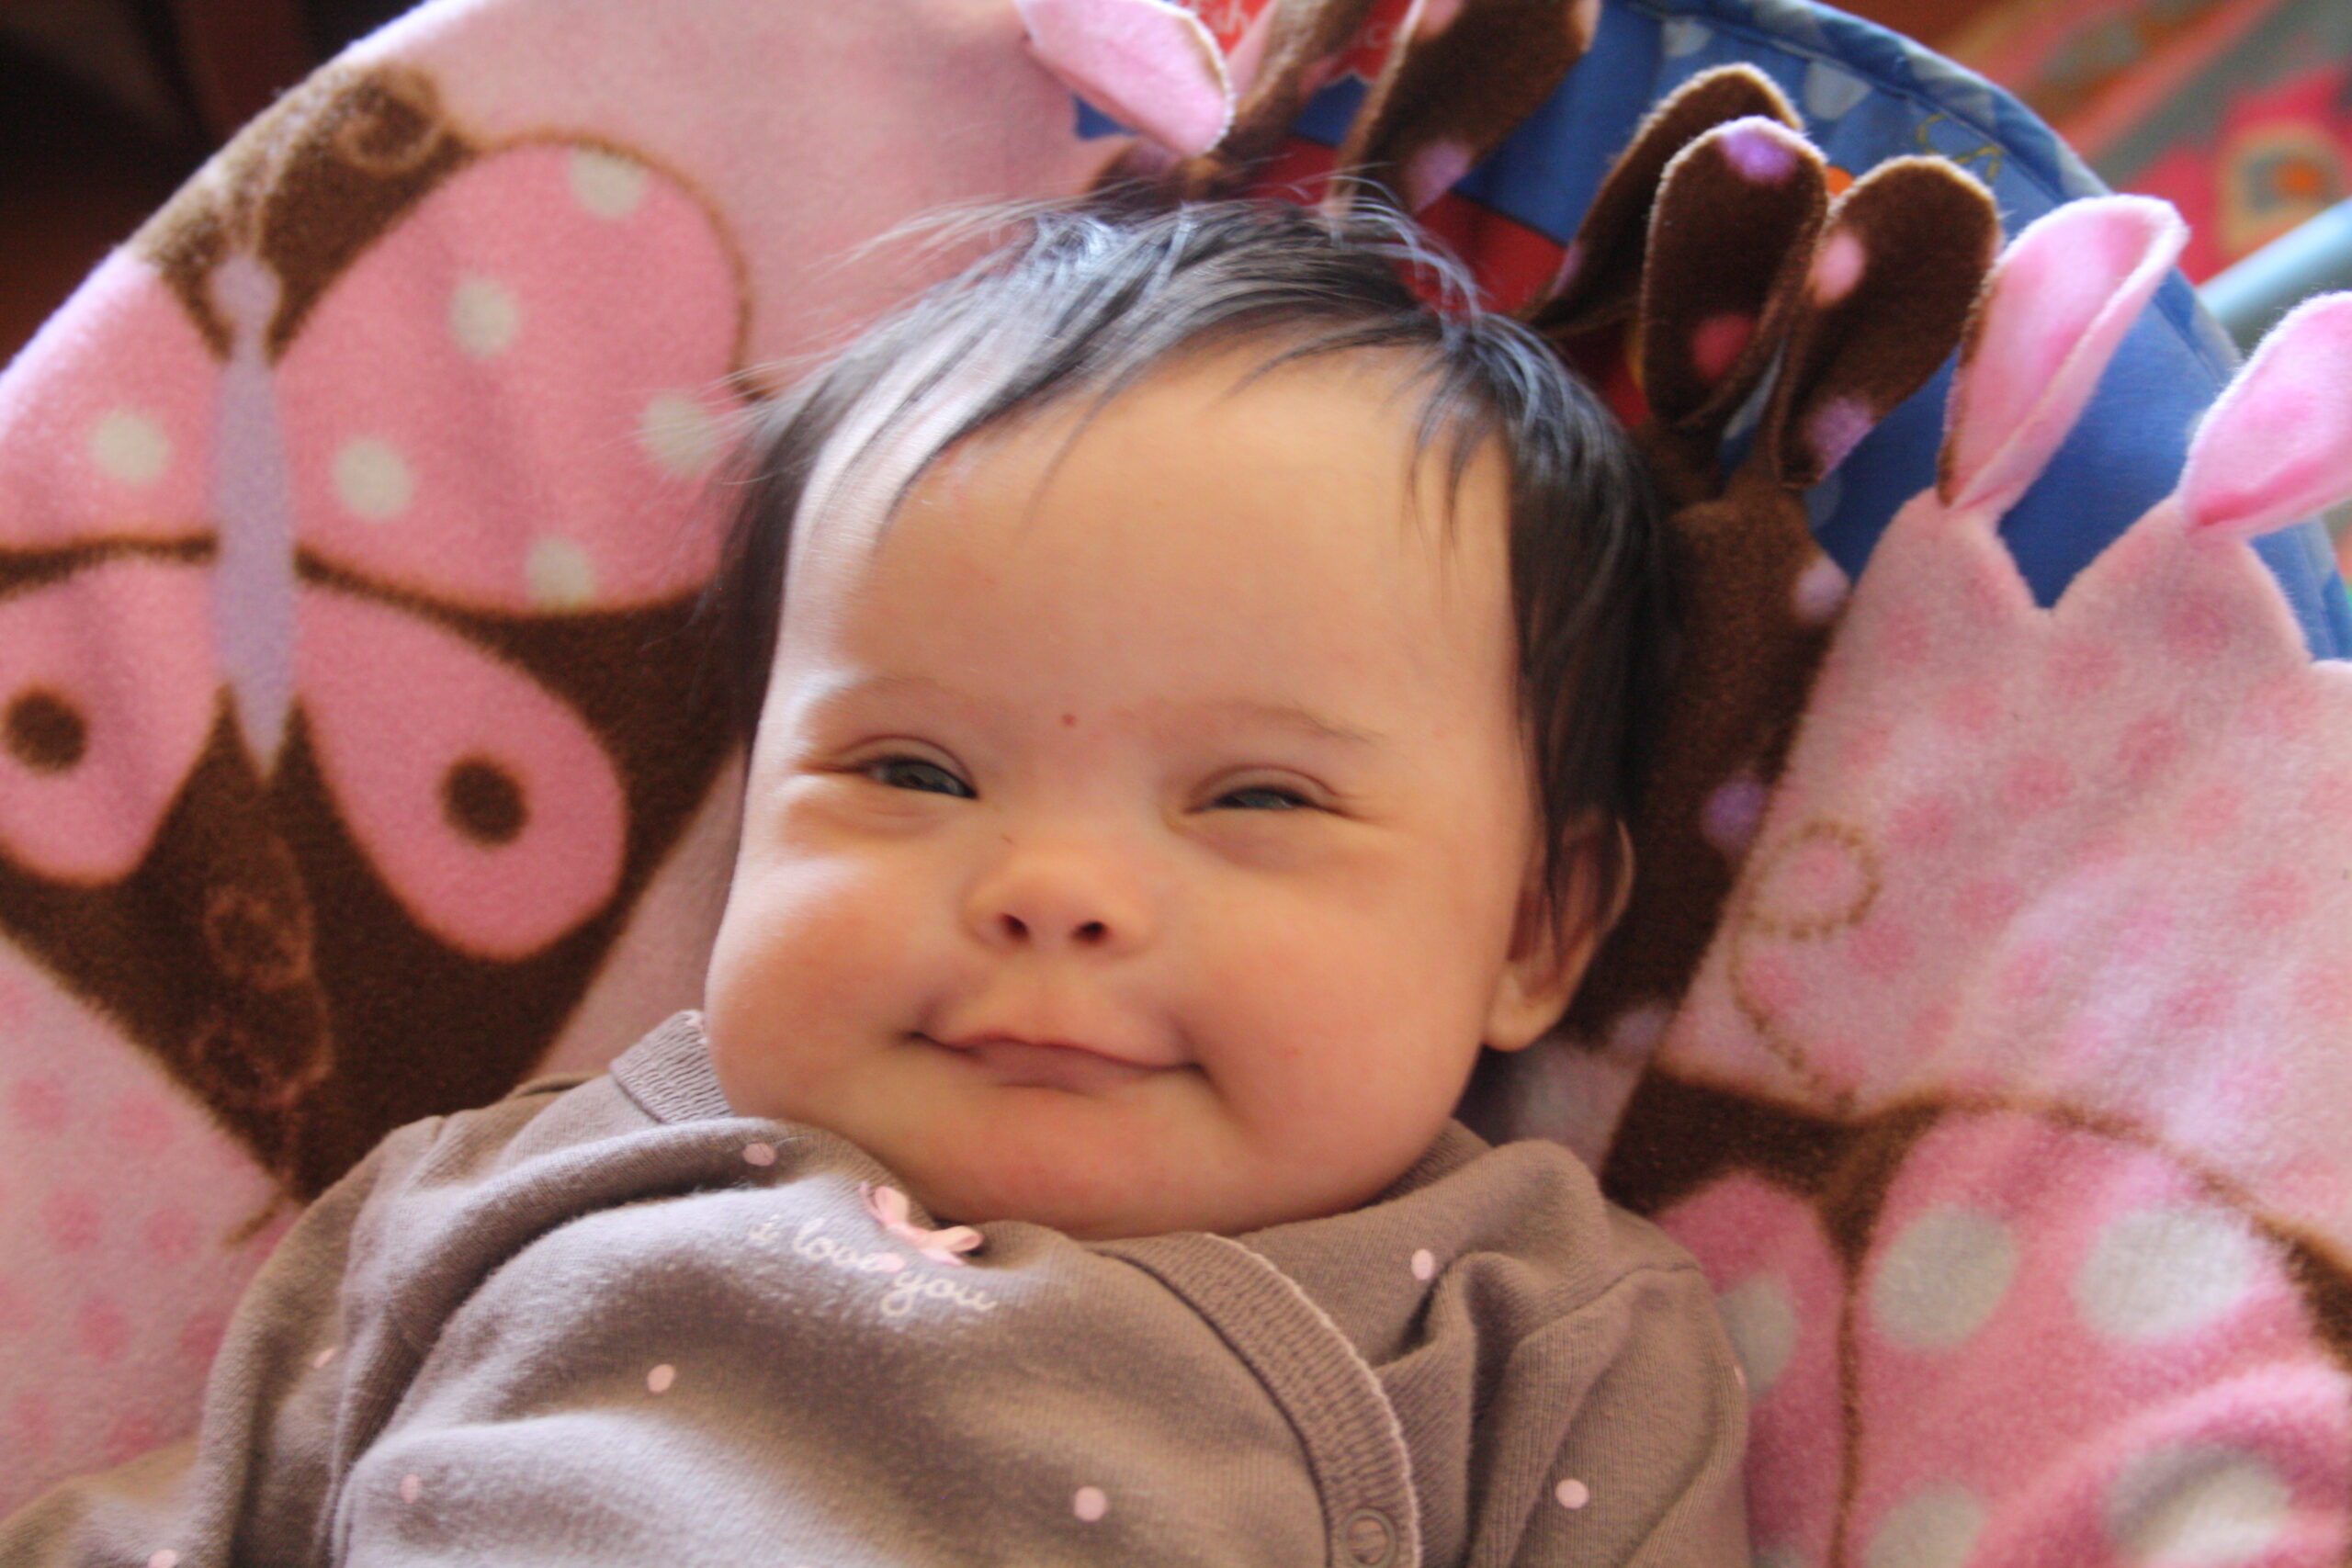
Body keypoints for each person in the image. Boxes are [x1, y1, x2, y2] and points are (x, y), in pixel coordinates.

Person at [1, 201, 1747, 1566]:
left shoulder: (1524, 1333)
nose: (1054, 890)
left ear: (1533, 929)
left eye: (1257, 797)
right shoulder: (507, 1197)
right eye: (914, 773)